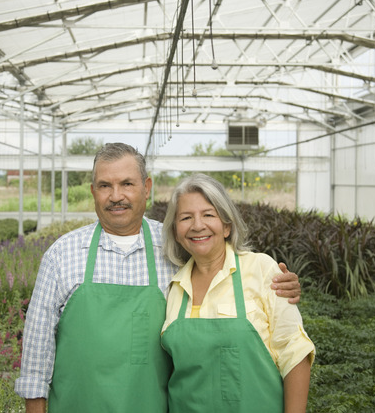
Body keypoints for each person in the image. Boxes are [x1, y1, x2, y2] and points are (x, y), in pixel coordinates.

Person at [15, 143, 301, 413]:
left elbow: (221, 267)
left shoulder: (174, 249)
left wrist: (280, 282)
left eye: (127, 184)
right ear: (93, 191)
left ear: (146, 188)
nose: (116, 196)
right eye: (105, 186)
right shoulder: (61, 255)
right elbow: (36, 354)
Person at [160, 173, 315, 413]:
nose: (197, 225)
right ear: (176, 231)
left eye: (208, 215)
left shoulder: (261, 269)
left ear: (226, 226)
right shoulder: (173, 287)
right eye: (186, 217)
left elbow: (295, 352)